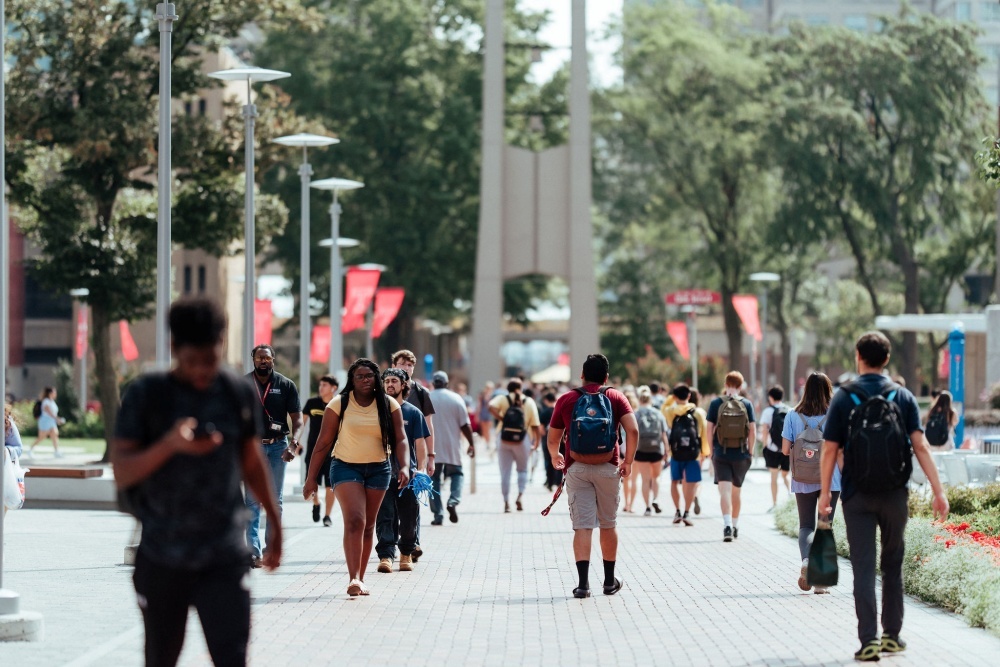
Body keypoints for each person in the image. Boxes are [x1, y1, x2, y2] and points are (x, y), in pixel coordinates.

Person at [112, 297, 282, 667]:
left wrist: (276, 525)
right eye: (193, 362)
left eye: (212, 359)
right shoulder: (147, 394)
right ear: (174, 349)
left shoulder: (236, 391)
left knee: (232, 658)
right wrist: (169, 445)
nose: (204, 371)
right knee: (161, 658)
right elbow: (123, 469)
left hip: (223, 555)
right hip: (161, 555)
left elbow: (252, 461)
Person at [819, 332, 948, 662]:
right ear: (887, 359)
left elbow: (830, 449)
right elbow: (920, 446)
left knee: (863, 568)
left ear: (857, 355)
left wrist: (824, 495)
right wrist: (938, 491)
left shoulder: (844, 397)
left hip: (856, 495)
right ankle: (892, 636)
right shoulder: (902, 396)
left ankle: (869, 642)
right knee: (892, 564)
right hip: (894, 495)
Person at [303, 359, 410, 597]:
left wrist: (404, 467)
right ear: (352, 379)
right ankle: (352, 577)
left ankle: (360, 578)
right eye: (359, 376)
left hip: (379, 468)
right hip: (344, 467)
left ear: (377, 379)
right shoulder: (339, 403)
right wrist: (311, 478)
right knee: (355, 520)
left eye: (369, 376)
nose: (364, 380)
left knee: (369, 524)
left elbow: (401, 439)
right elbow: (323, 442)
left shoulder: (388, 404)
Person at [547, 354, 637, 599]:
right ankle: (609, 582)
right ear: (606, 377)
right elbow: (633, 429)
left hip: (576, 468)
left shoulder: (567, 399)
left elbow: (554, 437)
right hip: (609, 466)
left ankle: (583, 585)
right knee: (608, 523)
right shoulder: (616, 397)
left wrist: (556, 456)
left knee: (583, 526)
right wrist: (628, 461)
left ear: (582, 375)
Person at [781, 372, 840, 594]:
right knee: (825, 526)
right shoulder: (835, 414)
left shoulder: (792, 415)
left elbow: (786, 449)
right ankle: (821, 583)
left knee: (806, 525)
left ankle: (806, 561)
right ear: (828, 390)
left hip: (803, 477)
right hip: (831, 478)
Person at [244, 344, 302, 568]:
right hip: (252, 448)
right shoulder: (243, 385)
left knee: (275, 501)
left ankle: (270, 549)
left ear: (273, 360)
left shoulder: (286, 385)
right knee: (251, 501)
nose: (263, 361)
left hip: (279, 447)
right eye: (259, 358)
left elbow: (297, 420)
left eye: (267, 358)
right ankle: (252, 552)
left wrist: (294, 445)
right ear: (253, 360)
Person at [376, 368, 428, 572]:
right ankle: (386, 556)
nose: (389, 384)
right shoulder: (376, 410)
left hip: (408, 475)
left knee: (408, 518)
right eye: (387, 381)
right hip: (380, 473)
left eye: (394, 381)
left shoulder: (413, 412)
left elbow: (420, 444)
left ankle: (406, 553)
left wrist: (421, 470)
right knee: (385, 516)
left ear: (404, 385)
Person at [706, 371, 756, 542]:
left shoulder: (715, 403)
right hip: (741, 453)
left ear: (726, 384)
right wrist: (751, 451)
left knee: (724, 490)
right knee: (737, 491)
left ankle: (726, 525)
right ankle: (735, 525)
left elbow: (709, 429)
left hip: (721, 452)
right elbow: (752, 430)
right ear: (741, 386)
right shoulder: (747, 404)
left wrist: (712, 451)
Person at [428, 371, 476, 524]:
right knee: (457, 475)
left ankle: (438, 515)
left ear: (433, 383)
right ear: (447, 383)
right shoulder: (456, 398)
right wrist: (471, 443)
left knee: (433, 480)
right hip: (452, 447)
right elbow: (465, 425)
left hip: (432, 448)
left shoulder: (426, 398)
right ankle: (453, 500)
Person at [489, 378, 542, 513]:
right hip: (523, 439)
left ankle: (506, 502)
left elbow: (490, 406)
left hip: (504, 438)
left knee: (505, 472)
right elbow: (536, 424)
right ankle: (519, 496)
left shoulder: (503, 399)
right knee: (522, 470)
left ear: (508, 388)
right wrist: (536, 442)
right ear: (521, 388)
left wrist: (502, 419)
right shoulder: (529, 401)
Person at [663, 384, 708, 526]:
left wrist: (672, 397)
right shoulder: (699, 412)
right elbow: (703, 433)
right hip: (693, 454)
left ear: (675, 396)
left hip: (676, 453)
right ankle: (687, 513)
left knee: (674, 482)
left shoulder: (671, 411)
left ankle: (677, 511)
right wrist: (705, 452)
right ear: (689, 396)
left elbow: (664, 406)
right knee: (691, 483)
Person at [300, 375, 339, 526]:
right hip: (313, 451)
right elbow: (301, 424)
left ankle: (327, 516)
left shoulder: (338, 404)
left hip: (333, 452)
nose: (321, 388)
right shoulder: (312, 403)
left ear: (333, 388)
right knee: (311, 482)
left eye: (324, 385)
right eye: (320, 385)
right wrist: (297, 442)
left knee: (331, 485)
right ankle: (316, 504)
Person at [633, 386, 667, 516]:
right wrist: (667, 450)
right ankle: (655, 499)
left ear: (640, 400)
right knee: (656, 477)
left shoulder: (636, 414)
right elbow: (664, 434)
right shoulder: (658, 413)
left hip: (641, 450)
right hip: (656, 449)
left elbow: (632, 433)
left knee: (645, 479)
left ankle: (647, 507)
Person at [760, 385, 791, 512]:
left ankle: (774, 504)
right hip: (786, 449)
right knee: (785, 475)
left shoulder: (767, 411)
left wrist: (764, 446)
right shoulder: (789, 410)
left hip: (772, 449)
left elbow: (765, 430)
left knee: (773, 477)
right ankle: (790, 497)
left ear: (770, 397)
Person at [29, 386, 65, 458]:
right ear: (50, 393)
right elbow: (49, 412)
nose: (55, 394)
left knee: (55, 434)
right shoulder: (46, 401)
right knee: (41, 437)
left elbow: (53, 413)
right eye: (54, 392)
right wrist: (57, 419)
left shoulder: (52, 402)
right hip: (45, 421)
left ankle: (56, 451)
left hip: (51, 421)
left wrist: (56, 419)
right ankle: (30, 449)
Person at [620, 388, 640, 513]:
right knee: (634, 479)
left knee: (626, 479)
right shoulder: (637, 414)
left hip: (622, 449)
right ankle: (631, 504)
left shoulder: (619, 413)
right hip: (636, 449)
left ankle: (626, 504)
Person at [538, 391, 562, 491]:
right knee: (560, 461)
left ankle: (550, 482)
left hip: (547, 441)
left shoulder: (545, 411)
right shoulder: (559, 410)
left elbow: (541, 428)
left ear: (546, 400)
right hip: (561, 441)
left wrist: (545, 436)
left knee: (548, 460)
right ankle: (558, 483)